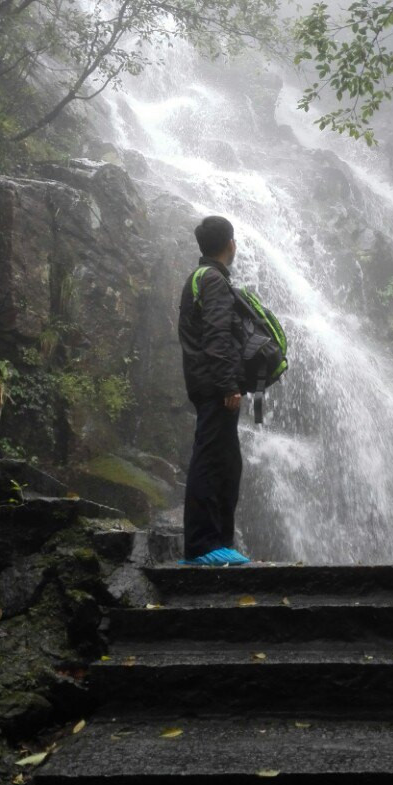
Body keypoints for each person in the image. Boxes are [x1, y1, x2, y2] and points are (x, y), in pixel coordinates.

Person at [177, 215, 251, 566]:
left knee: (226, 462)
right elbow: (217, 337)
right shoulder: (215, 282)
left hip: (204, 382)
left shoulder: (196, 279)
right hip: (215, 386)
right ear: (231, 245)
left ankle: (218, 542)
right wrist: (229, 385)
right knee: (211, 462)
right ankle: (202, 546)